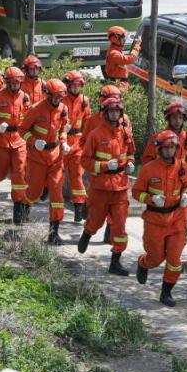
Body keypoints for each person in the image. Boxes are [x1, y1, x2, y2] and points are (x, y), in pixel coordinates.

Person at [133, 130, 187, 307]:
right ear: (159, 149)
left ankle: (166, 292)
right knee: (156, 258)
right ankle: (143, 264)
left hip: (177, 219)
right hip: (155, 220)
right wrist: (151, 199)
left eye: (172, 147)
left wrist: (185, 195)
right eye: (166, 148)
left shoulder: (183, 167)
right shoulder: (149, 169)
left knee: (175, 260)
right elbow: (136, 192)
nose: (169, 151)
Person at [77, 96, 135, 276]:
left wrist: (130, 163)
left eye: (117, 111)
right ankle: (87, 234)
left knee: (120, 226)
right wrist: (103, 166)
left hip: (120, 188)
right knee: (95, 221)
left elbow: (131, 153)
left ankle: (115, 261)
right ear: (105, 113)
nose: (114, 114)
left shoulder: (125, 133)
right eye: (111, 111)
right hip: (100, 187)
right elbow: (85, 161)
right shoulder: (96, 134)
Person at [19, 78, 70, 245]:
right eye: (55, 96)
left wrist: (64, 142)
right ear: (48, 94)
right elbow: (22, 130)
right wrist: (33, 141)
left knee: (57, 195)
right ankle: (24, 204)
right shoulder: (36, 109)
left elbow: (63, 129)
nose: (58, 100)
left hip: (55, 157)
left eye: (61, 97)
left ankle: (53, 233)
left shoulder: (63, 109)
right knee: (34, 192)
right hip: (37, 158)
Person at [0, 67, 31, 217]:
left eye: (18, 82)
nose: (15, 85)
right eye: (12, 82)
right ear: (7, 82)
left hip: (19, 141)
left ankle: (18, 206)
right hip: (1, 141)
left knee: (20, 172)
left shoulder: (25, 97)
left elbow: (29, 118)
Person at [62, 71, 91, 222]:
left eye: (78, 85)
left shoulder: (85, 101)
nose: (75, 88)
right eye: (73, 85)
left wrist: (86, 143)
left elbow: (88, 123)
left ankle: (79, 207)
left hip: (78, 143)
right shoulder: (61, 99)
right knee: (57, 174)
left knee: (77, 175)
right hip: (62, 142)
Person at [141, 101, 187, 171]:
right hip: (160, 177)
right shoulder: (157, 138)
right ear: (168, 118)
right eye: (174, 117)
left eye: (180, 118)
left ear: (184, 119)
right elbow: (147, 160)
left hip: (178, 178)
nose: (178, 121)